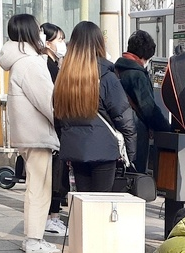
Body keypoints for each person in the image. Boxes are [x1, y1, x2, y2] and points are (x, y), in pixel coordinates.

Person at [0, 14, 60, 253]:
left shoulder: (18, 61)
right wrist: (64, 124)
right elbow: (49, 102)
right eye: (38, 29)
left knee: (37, 185)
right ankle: (34, 239)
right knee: (39, 187)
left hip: (27, 134)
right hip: (37, 134)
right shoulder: (31, 63)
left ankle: (34, 237)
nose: (42, 34)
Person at [55, 21, 137, 193]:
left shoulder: (64, 78)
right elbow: (124, 117)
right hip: (104, 149)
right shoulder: (106, 77)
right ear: (99, 43)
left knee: (83, 201)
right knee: (101, 203)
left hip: (76, 149)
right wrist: (130, 153)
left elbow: (58, 115)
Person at [114, 30, 171, 174]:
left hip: (118, 128)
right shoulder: (137, 74)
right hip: (136, 131)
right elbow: (148, 108)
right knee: (135, 174)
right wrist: (167, 128)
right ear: (144, 56)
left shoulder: (116, 69)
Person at [41, 22, 69, 237]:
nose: (62, 44)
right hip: (52, 128)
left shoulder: (56, 64)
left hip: (57, 128)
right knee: (54, 175)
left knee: (59, 174)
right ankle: (51, 217)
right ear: (47, 42)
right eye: (59, 39)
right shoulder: (45, 67)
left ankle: (54, 216)